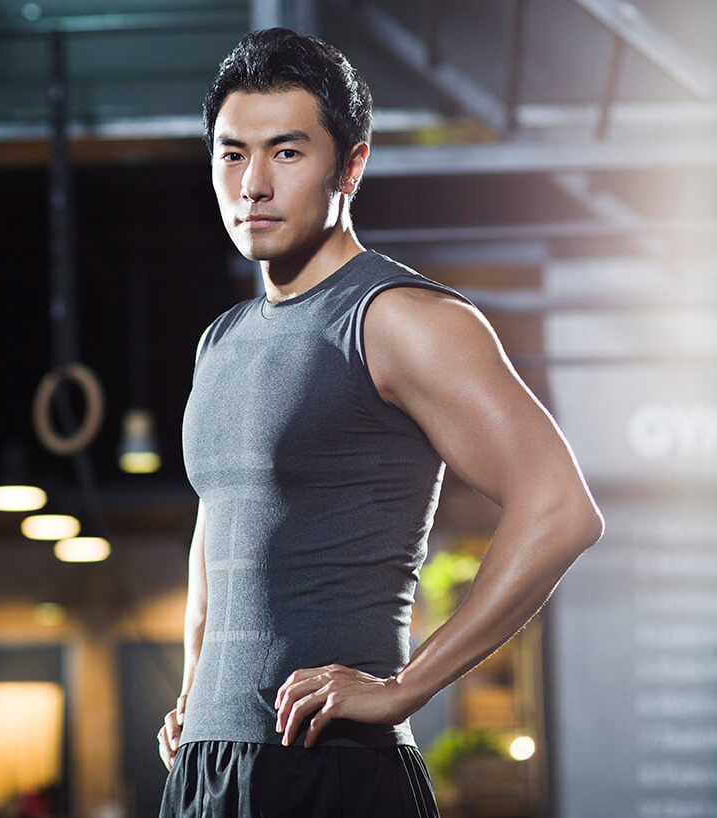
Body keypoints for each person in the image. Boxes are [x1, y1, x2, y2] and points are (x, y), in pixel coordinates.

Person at [157, 27, 603, 817]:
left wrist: (404, 688)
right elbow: (217, 527)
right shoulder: (220, 341)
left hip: (331, 770)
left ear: (350, 166)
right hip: (206, 771)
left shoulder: (400, 319)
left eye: (286, 153)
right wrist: (196, 691)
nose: (252, 184)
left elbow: (563, 510)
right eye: (232, 154)